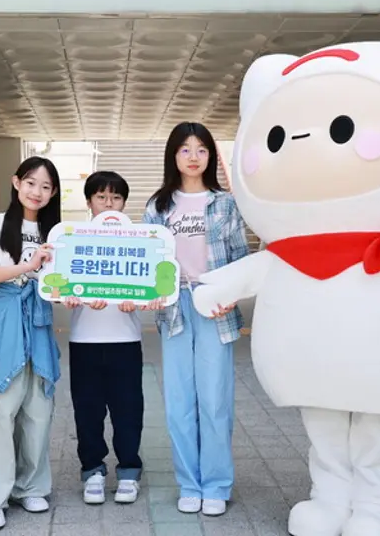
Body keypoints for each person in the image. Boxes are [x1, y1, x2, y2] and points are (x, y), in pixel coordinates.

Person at [142, 121, 249, 516]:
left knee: (216, 399)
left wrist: (230, 294)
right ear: (173, 155)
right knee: (179, 401)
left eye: (201, 149)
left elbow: (240, 256)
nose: (193, 156)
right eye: (185, 149)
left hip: (214, 304)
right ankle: (189, 483)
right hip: (174, 309)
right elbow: (149, 261)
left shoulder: (226, 204)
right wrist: (152, 295)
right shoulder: (158, 206)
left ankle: (217, 485)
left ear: (210, 156)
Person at [0, 156, 62, 531]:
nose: (38, 192)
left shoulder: (58, 231)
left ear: (54, 193)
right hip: (4, 320)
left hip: (40, 323)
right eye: (32, 183)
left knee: (37, 408)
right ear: (16, 182)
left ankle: (31, 485)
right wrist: (28, 265)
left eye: (46, 186)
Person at [62, 171, 144, 505]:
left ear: (124, 203)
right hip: (84, 340)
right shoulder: (74, 239)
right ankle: (92, 470)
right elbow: (58, 285)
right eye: (101, 197)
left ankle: (128, 470)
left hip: (126, 339)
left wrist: (137, 299)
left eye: (116, 198)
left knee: (128, 410)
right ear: (88, 202)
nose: (108, 204)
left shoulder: (140, 240)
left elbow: (152, 286)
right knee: (87, 411)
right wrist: (68, 296)